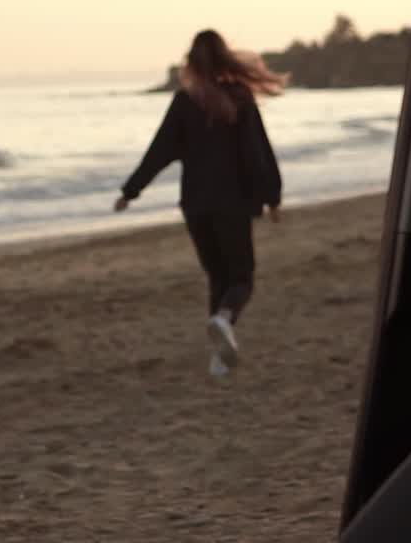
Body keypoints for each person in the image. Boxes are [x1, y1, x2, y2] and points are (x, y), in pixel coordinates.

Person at [114, 29, 285, 377]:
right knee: (241, 278)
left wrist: (131, 191)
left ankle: (219, 357)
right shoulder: (240, 98)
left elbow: (158, 152)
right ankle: (223, 322)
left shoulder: (184, 102)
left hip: (195, 206)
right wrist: (272, 197)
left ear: (190, 62)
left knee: (216, 277)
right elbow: (258, 153)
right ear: (226, 58)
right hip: (232, 205)